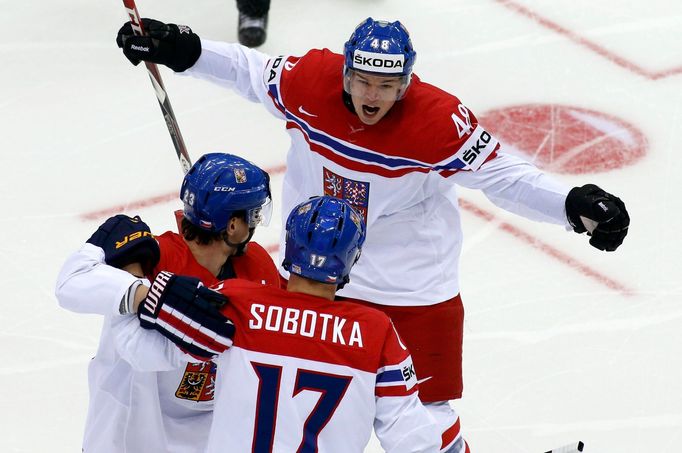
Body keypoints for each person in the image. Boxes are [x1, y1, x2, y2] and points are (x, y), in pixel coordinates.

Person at [115, 17, 631, 453]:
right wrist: (183, 48)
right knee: (284, 385)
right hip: (312, 268)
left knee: (424, 412)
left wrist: (570, 205)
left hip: (409, 285)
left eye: (387, 85)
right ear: (345, 72)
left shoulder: (437, 121)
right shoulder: (309, 81)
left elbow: (502, 176)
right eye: (362, 81)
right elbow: (247, 70)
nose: (372, 95)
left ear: (407, 81)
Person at [123, 196, 442, 452]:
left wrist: (141, 286)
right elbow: (413, 437)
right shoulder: (376, 332)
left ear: (289, 248)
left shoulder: (238, 303)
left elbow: (139, 349)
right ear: (352, 258)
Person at [55, 152, 280, 453]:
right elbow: (70, 284)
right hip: (127, 437)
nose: (256, 223)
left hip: (210, 438)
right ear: (234, 226)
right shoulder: (149, 258)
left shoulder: (258, 268)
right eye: (253, 214)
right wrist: (144, 292)